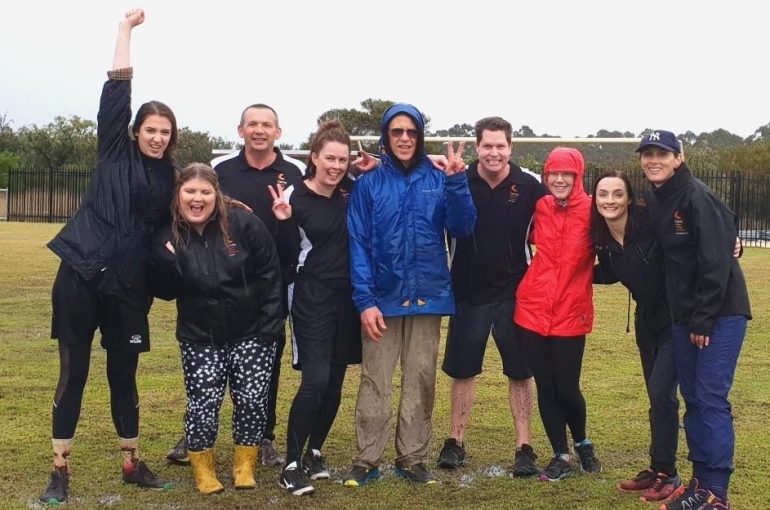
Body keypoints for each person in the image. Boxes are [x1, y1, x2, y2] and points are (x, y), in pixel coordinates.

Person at [40, 9, 174, 504]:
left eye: (165, 131)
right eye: (150, 129)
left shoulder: (171, 179)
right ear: (135, 131)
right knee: (72, 371)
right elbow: (117, 91)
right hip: (80, 273)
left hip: (129, 288)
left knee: (125, 373)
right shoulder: (114, 153)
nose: (158, 136)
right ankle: (59, 470)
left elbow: (200, 203)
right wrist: (125, 32)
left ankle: (131, 462)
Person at [343, 103, 477, 487]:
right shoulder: (368, 184)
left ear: (420, 137)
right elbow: (359, 244)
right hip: (382, 301)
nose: (404, 139)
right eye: (397, 132)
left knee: (420, 377)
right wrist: (365, 301)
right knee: (375, 380)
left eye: (412, 133)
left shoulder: (438, 178)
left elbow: (463, 227)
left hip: (428, 297)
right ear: (386, 137)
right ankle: (367, 458)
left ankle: (413, 456)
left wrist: (455, 182)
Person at [165, 103, 304, 467]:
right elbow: (195, 203)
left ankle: (264, 437)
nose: (260, 130)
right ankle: (196, 434)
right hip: (225, 279)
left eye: (267, 125)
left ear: (278, 131)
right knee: (206, 371)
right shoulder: (221, 169)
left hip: (277, 276)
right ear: (240, 130)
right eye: (252, 124)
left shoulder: (294, 171)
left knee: (264, 364)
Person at [151, 163, 283, 495]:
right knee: (203, 403)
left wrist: (270, 326)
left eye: (205, 192)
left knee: (252, 400)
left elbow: (270, 272)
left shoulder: (242, 223)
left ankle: (244, 464)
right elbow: (165, 291)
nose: (197, 199)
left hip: (252, 332)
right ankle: (203, 468)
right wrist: (166, 262)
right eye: (190, 192)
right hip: (200, 337)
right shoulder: (169, 234)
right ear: (178, 194)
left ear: (216, 194)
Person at [636, 131, 751, 510]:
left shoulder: (696, 195)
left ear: (678, 158)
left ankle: (717, 493)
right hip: (683, 315)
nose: (654, 160)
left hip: (718, 314)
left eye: (662, 154)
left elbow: (716, 264)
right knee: (694, 400)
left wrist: (703, 320)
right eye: (648, 153)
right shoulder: (658, 198)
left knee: (710, 399)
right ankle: (700, 483)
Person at [437, 117, 544, 476]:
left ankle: (524, 445)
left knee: (520, 370)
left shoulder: (530, 186)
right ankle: (455, 441)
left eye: (501, 146)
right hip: (468, 291)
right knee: (463, 370)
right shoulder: (456, 179)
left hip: (517, 292)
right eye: (487, 146)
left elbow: (568, 212)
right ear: (477, 147)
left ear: (511, 147)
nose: (494, 152)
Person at [268, 120, 362, 496]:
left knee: (336, 382)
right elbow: (288, 253)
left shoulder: (351, 191)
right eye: (330, 158)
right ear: (314, 157)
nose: (336, 166)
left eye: (343, 159)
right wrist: (283, 222)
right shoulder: (294, 196)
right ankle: (290, 464)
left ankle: (314, 452)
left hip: (349, 298)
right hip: (311, 296)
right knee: (315, 380)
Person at [591, 170, 681, 502]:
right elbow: (611, 273)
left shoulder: (650, 220)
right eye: (603, 194)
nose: (610, 201)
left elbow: (694, 228)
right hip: (647, 322)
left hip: (676, 318)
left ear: (629, 198)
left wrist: (731, 239)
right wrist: (568, 273)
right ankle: (658, 469)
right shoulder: (601, 235)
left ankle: (669, 474)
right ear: (595, 198)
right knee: (656, 398)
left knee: (662, 394)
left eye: (617, 194)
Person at [514, 147, 603, 482]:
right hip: (532, 310)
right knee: (546, 387)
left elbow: (631, 231)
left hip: (570, 313)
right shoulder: (540, 207)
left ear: (578, 176)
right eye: (554, 173)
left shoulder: (594, 209)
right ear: (547, 175)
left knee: (567, 386)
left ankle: (583, 443)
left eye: (568, 173)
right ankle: (560, 454)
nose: (560, 179)